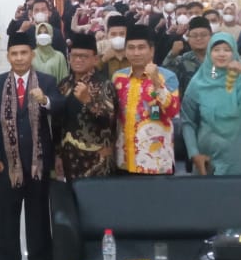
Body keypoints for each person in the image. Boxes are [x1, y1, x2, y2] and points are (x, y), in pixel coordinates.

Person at [0, 32, 65, 260]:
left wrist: (46, 101)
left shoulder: (46, 81)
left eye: (23, 53)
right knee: (6, 214)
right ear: (8, 56)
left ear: (32, 54)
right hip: (7, 163)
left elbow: (60, 106)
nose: (19, 58)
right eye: (14, 54)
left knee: (38, 214)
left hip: (38, 161)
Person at [180, 33, 241, 176]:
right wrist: (194, 154)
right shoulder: (199, 82)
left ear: (234, 53)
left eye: (227, 50)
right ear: (209, 53)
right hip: (209, 161)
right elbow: (187, 121)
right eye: (216, 50)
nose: (221, 54)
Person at [112, 25, 181, 174]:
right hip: (123, 161)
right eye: (131, 48)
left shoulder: (168, 76)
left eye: (141, 47)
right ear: (125, 51)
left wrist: (156, 80)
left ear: (152, 50)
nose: (136, 53)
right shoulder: (118, 77)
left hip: (156, 162)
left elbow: (172, 111)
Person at [56, 32, 118, 179]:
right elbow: (58, 124)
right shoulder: (64, 84)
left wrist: (88, 101)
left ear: (95, 59)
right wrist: (57, 155)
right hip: (68, 157)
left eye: (83, 56)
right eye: (74, 56)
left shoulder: (104, 85)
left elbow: (110, 121)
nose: (78, 60)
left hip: (96, 159)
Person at [163, 16, 212, 94]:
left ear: (211, 37)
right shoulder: (182, 60)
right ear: (188, 39)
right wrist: (172, 55)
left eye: (203, 35)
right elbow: (164, 77)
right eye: (194, 35)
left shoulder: (219, 59)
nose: (199, 38)